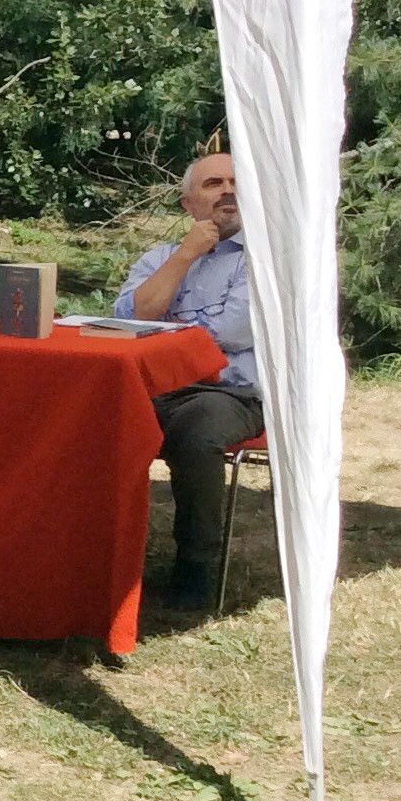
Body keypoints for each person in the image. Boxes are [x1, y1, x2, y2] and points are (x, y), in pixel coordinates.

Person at [117, 151, 259, 609]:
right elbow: (131, 318)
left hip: (230, 391)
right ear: (187, 204)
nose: (228, 192)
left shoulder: (265, 260)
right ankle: (97, 555)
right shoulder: (161, 258)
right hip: (159, 386)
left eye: (236, 182)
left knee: (197, 435)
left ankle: (195, 566)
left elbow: (231, 333)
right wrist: (186, 255)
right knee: (89, 420)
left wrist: (165, 331)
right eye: (213, 184)